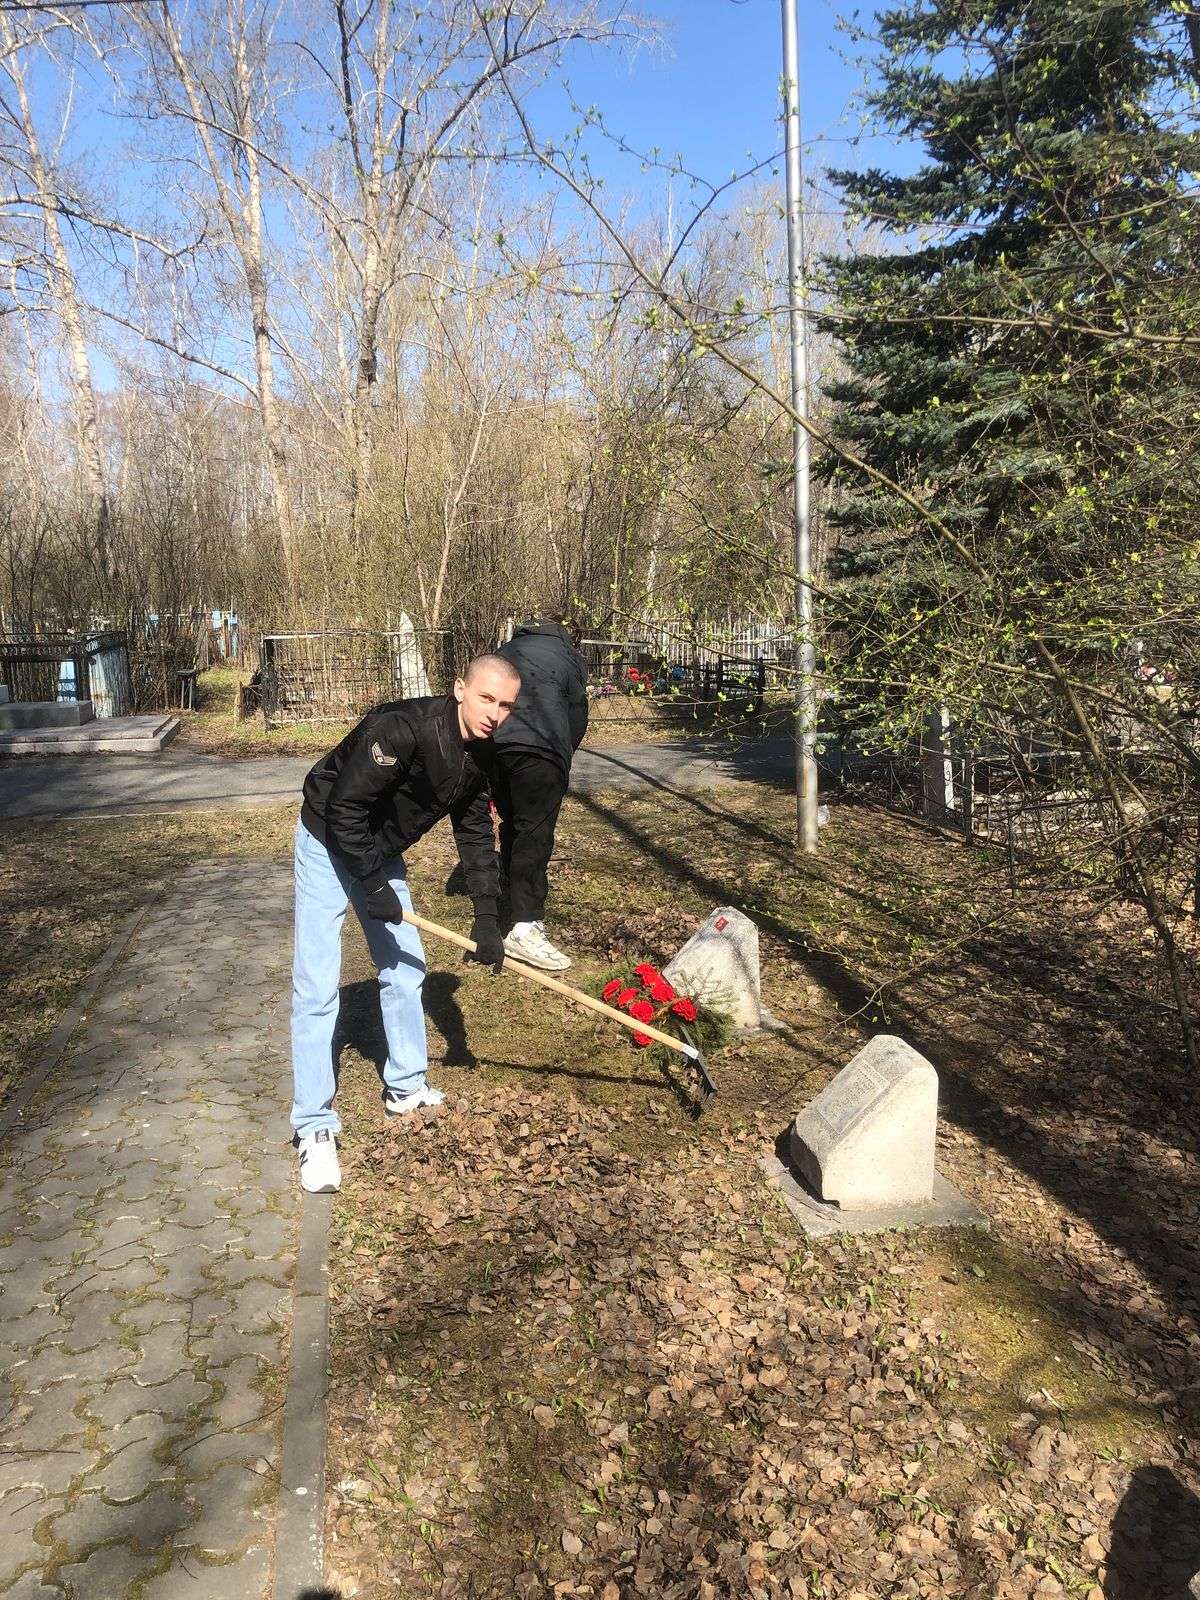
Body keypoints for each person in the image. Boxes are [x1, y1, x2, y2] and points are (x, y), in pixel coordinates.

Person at [290, 654, 520, 1194]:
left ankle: (406, 1086)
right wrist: (374, 886)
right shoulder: (400, 728)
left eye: (506, 705)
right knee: (317, 985)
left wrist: (487, 917)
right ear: (460, 689)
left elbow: (474, 832)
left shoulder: (484, 753)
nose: (494, 714)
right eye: (486, 698)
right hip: (327, 839)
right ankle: (314, 1125)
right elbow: (345, 808)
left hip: (379, 850)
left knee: (407, 967)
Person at [493, 615, 588, 972]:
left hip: (496, 747)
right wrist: (564, 751)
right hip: (542, 750)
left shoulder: (504, 651)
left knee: (513, 823)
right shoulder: (567, 657)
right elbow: (577, 712)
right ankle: (525, 925)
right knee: (535, 833)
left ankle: (511, 889)